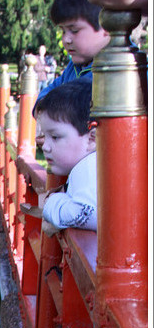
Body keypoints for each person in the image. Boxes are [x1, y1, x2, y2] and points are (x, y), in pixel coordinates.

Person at [24, 80, 97, 237]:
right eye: (45, 136)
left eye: (55, 137)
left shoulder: (88, 168)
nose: (45, 147)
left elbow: (87, 214)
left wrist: (52, 204)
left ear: (91, 139)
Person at [33, 0, 110, 108]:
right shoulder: (74, 68)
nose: (66, 39)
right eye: (63, 31)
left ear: (107, 26)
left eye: (74, 30)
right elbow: (43, 98)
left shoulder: (118, 69)